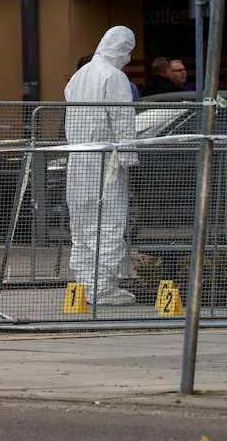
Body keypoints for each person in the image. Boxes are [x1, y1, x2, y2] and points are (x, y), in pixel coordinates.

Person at [64, 26, 138, 305]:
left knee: (81, 224)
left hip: (78, 157)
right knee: (108, 220)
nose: (128, 59)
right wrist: (129, 157)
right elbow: (122, 119)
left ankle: (85, 284)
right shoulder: (114, 76)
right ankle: (103, 288)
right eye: (128, 52)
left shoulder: (79, 76)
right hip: (106, 159)